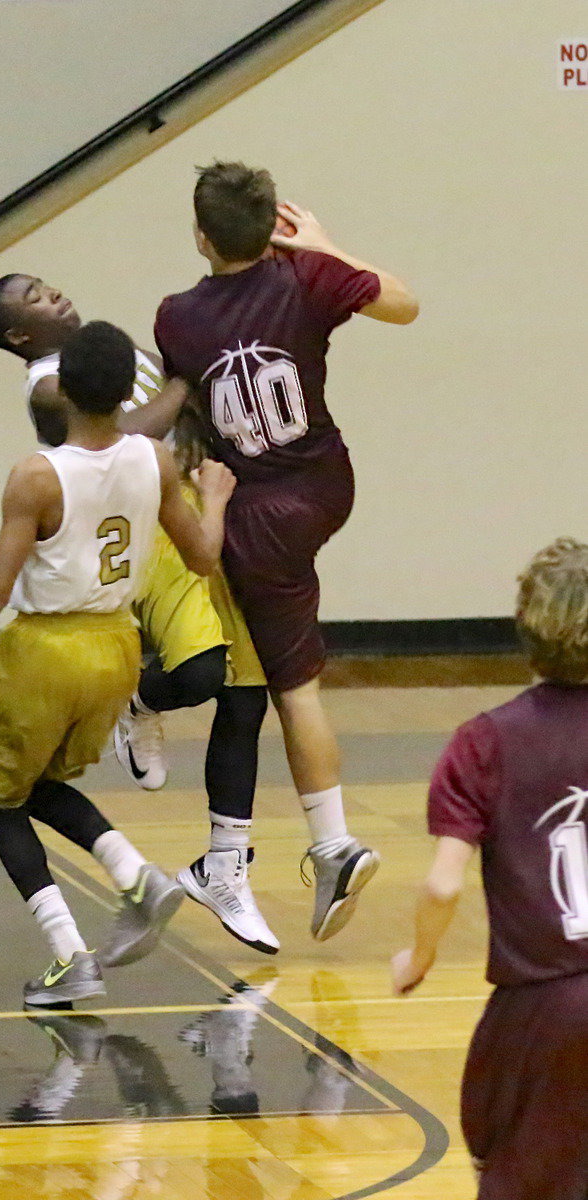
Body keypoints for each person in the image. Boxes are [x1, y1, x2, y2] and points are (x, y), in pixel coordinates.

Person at [0, 320, 237, 1003]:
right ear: (122, 392)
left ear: (64, 394)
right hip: (117, 647)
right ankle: (140, 879)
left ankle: (70, 955)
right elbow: (203, 558)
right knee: (41, 784)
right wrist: (220, 499)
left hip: (48, 649)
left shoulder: (36, 475)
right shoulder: (154, 459)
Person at [0, 274, 278, 955]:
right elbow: (131, 434)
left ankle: (222, 864)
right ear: (20, 335)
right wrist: (184, 382)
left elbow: (171, 429)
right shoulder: (51, 388)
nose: (54, 293)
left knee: (245, 691)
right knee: (200, 675)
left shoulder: (106, 352)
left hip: (190, 513)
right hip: (140, 546)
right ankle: (144, 704)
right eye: (34, 297)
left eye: (49, 284)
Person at [155, 161, 419, 939]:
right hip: (326, 485)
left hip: (255, 512)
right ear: (275, 224)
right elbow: (403, 303)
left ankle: (331, 844)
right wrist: (330, 245)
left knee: (279, 684)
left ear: (202, 236)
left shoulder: (177, 316)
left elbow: (186, 410)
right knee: (253, 669)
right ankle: (229, 856)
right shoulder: (308, 278)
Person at [391, 537, 588, 1200]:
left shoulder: (486, 742)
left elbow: (444, 881)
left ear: (526, 626)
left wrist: (416, 959)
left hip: (545, 1011)